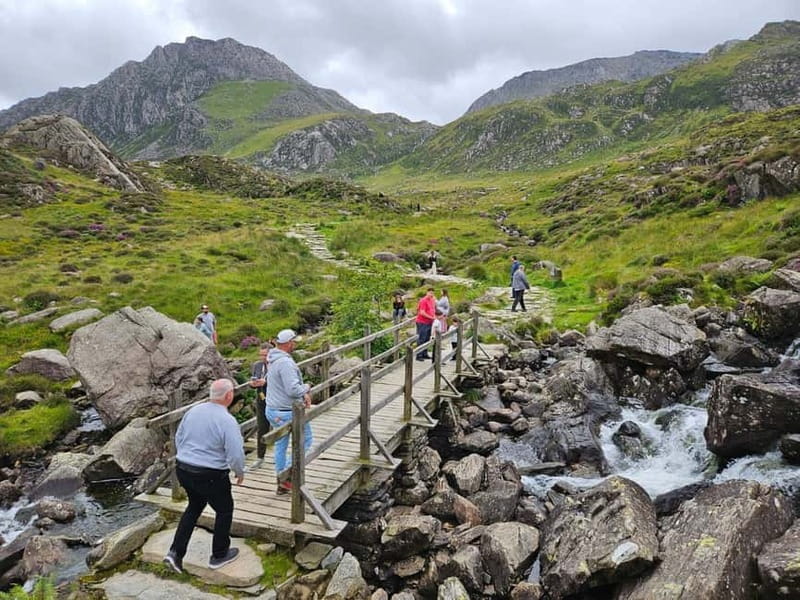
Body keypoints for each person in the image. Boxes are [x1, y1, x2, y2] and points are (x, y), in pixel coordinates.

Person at [163, 379, 244, 574]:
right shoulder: (226, 420)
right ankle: (219, 554)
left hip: (184, 468)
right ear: (229, 396)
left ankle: (175, 553)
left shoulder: (194, 411)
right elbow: (235, 451)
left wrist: (188, 457)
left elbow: (179, 437)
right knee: (224, 510)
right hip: (211, 474)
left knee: (194, 506)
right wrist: (239, 471)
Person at [266, 329, 313, 494]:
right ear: (289, 343)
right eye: (294, 341)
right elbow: (293, 390)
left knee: (281, 444)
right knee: (306, 439)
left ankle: (282, 480)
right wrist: (306, 387)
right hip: (286, 411)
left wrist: (302, 394)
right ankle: (285, 475)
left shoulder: (272, 358)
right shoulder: (285, 363)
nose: (295, 344)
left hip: (273, 409)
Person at [250, 342, 271, 459]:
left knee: (279, 427)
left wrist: (266, 382)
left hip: (274, 399)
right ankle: (260, 456)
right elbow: (253, 379)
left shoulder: (276, 365)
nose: (263, 358)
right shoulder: (257, 365)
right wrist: (253, 383)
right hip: (261, 399)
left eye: (265, 355)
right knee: (261, 427)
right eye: (261, 355)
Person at [415, 288, 436, 361]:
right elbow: (422, 312)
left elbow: (433, 309)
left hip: (429, 322)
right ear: (427, 293)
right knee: (421, 338)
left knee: (427, 338)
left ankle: (425, 353)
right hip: (422, 322)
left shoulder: (432, 300)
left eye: (432, 293)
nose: (431, 294)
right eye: (430, 293)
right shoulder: (423, 300)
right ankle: (419, 355)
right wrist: (431, 317)